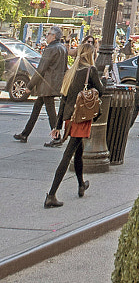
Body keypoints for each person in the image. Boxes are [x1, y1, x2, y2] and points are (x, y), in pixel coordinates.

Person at [44, 39, 102, 209]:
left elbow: (63, 100)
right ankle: (52, 194)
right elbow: (102, 90)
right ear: (91, 55)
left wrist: (57, 125)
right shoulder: (90, 71)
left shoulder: (72, 72)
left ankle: (81, 185)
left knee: (78, 151)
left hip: (70, 117)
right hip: (81, 118)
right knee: (68, 154)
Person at [14, 26, 67, 145]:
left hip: (46, 85)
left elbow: (41, 69)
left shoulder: (51, 49)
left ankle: (57, 137)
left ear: (54, 36)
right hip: (54, 84)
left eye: (48, 34)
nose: (46, 36)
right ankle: (25, 134)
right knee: (36, 109)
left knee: (51, 113)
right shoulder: (62, 48)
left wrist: (30, 85)